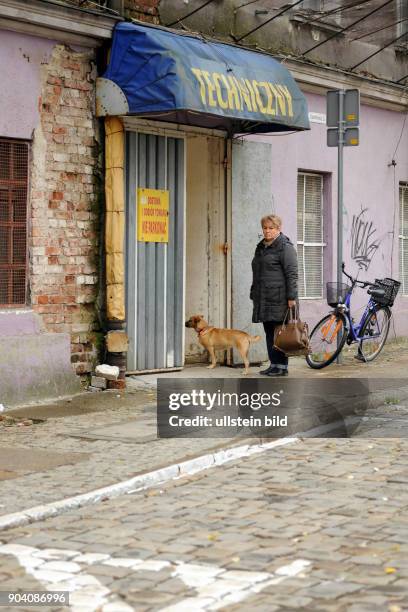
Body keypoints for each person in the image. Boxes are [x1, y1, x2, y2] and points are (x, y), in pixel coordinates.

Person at [250, 214, 298, 377]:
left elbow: (292, 273)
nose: (267, 231)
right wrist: (253, 292)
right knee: (269, 332)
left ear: (279, 229)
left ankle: (282, 367)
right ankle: (274, 364)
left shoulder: (285, 247)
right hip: (264, 297)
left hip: (280, 297)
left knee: (280, 334)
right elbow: (258, 271)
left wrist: (291, 297)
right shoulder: (261, 247)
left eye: (271, 228)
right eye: (265, 228)